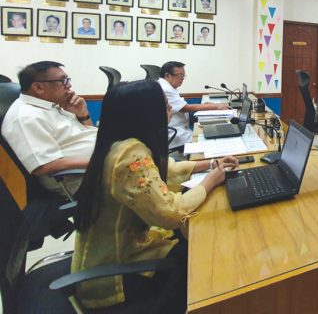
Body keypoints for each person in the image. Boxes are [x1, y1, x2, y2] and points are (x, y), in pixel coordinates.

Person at [71, 80, 239, 311]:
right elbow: (170, 213)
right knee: (206, 250)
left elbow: (163, 169)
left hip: (113, 252)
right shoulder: (130, 156)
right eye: (165, 105)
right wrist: (210, 181)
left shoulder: (119, 143)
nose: (169, 109)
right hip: (115, 276)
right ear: (146, 113)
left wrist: (210, 164)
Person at [1, 61, 96, 197]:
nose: (69, 85)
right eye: (62, 81)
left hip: (97, 167)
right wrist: (98, 161)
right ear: (38, 87)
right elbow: (44, 165)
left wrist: (83, 115)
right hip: (81, 181)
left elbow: (88, 136)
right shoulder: (26, 117)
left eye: (67, 79)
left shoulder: (52, 106)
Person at [157, 61, 228, 149]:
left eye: (183, 76)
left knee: (206, 133)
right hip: (175, 132)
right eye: (180, 75)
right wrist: (217, 106)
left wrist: (204, 105)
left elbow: (181, 105)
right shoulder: (165, 89)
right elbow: (186, 108)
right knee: (204, 140)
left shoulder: (167, 86)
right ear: (167, 75)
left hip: (180, 127)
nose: (182, 79)